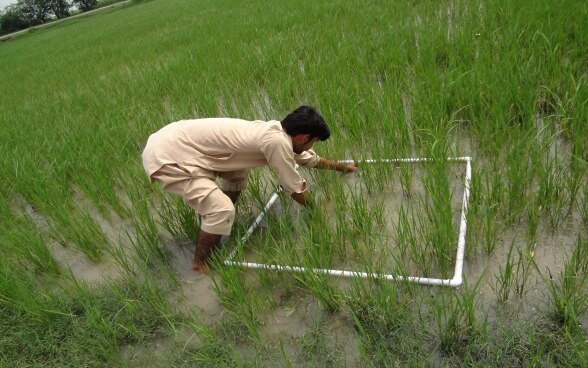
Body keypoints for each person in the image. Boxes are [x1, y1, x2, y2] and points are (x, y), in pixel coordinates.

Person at [141, 105, 358, 273]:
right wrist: (316, 211)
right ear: (304, 137)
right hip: (169, 155)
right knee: (222, 210)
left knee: (238, 175)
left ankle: (215, 225)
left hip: (178, 141)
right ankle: (201, 264)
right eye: (314, 141)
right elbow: (293, 187)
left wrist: (343, 168)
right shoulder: (277, 142)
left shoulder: (277, 132)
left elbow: (307, 158)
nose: (312, 146)